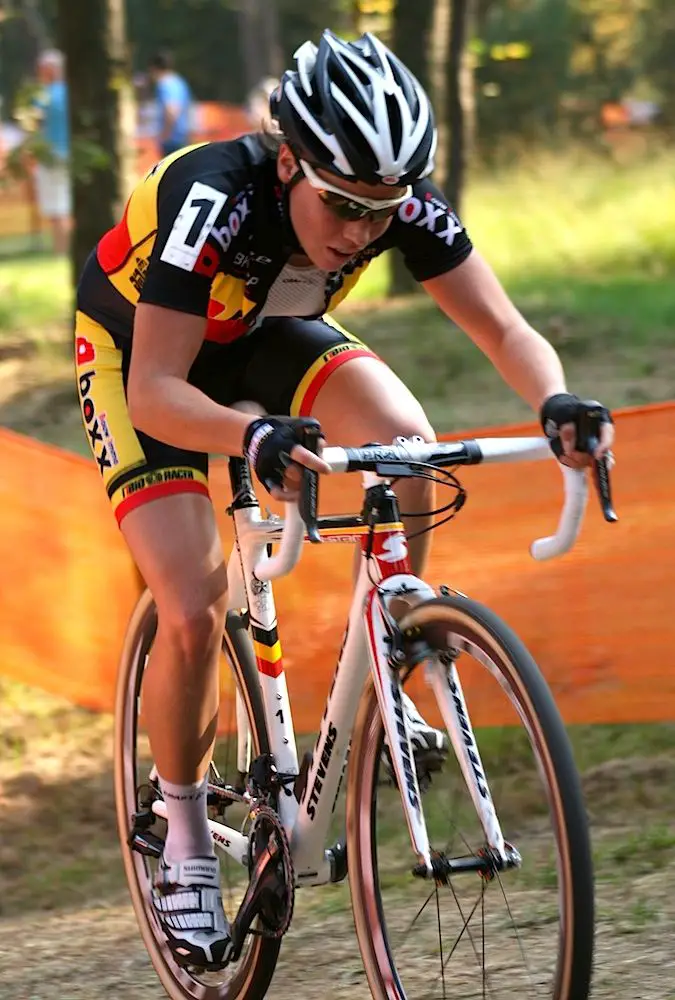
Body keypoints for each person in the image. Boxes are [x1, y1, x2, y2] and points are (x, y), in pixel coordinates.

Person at [74, 30, 614, 970]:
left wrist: (555, 402)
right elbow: (162, 389)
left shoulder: (389, 201)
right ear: (290, 160)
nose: (361, 232)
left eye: (381, 213)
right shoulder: (216, 196)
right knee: (193, 607)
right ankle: (186, 829)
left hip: (265, 331)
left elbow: (501, 324)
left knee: (405, 444)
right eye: (340, 207)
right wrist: (248, 435)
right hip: (142, 357)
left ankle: (397, 645)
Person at [32, 49, 71, 255]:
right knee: (67, 203)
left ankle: (61, 251)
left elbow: (34, 126)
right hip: (71, 155)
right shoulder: (71, 93)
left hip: (50, 157)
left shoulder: (43, 96)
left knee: (57, 209)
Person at [147, 50, 192, 159]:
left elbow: (171, 111)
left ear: (154, 68)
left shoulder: (164, 85)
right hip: (183, 137)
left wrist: (164, 136)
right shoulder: (179, 82)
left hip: (172, 142)